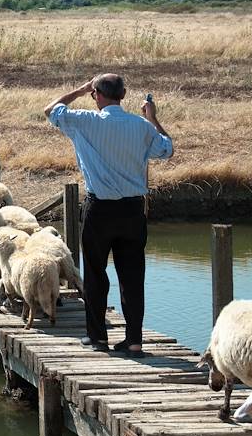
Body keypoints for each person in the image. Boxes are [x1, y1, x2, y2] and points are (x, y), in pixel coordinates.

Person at [44, 74, 172, 357]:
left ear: (96, 95)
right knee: (132, 277)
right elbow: (167, 149)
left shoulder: (83, 121)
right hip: (132, 210)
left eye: (93, 93)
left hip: (99, 209)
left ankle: (97, 337)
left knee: (95, 274)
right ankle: (134, 341)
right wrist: (152, 117)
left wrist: (78, 90)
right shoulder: (141, 126)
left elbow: (50, 110)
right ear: (123, 95)